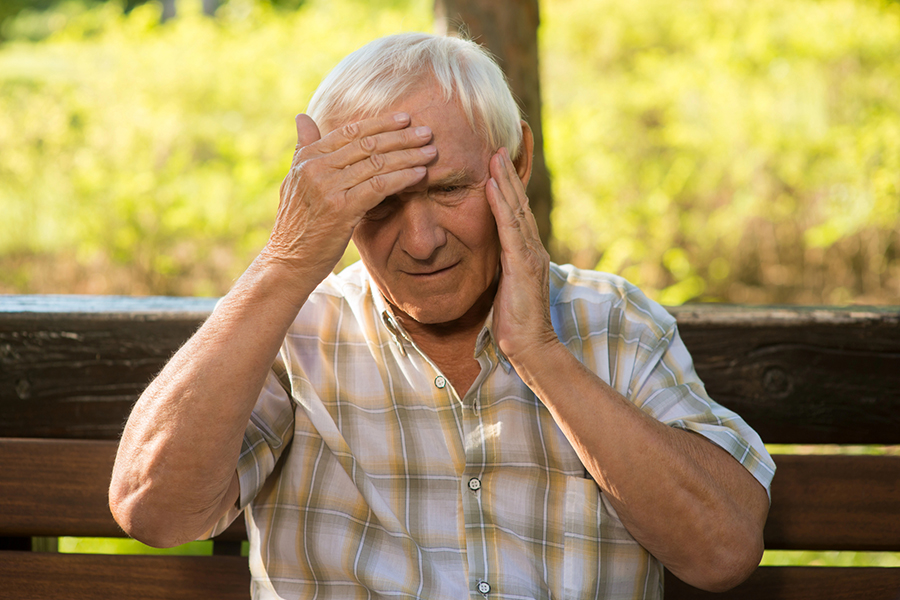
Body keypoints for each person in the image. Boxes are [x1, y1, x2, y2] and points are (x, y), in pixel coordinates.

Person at [109, 32, 775, 600]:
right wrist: (285, 262)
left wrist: (541, 352)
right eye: (377, 202)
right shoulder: (292, 333)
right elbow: (153, 511)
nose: (422, 241)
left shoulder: (613, 320)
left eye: (451, 189)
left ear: (516, 163)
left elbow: (723, 552)